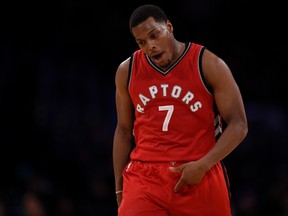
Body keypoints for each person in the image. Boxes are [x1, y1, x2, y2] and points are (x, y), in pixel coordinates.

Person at [112, 4, 248, 216]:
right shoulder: (127, 71)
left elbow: (239, 125)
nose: (150, 46)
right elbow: (122, 129)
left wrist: (203, 165)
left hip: (198, 172)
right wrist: (119, 188)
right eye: (142, 42)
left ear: (169, 26)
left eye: (154, 35)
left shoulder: (208, 64)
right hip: (144, 177)